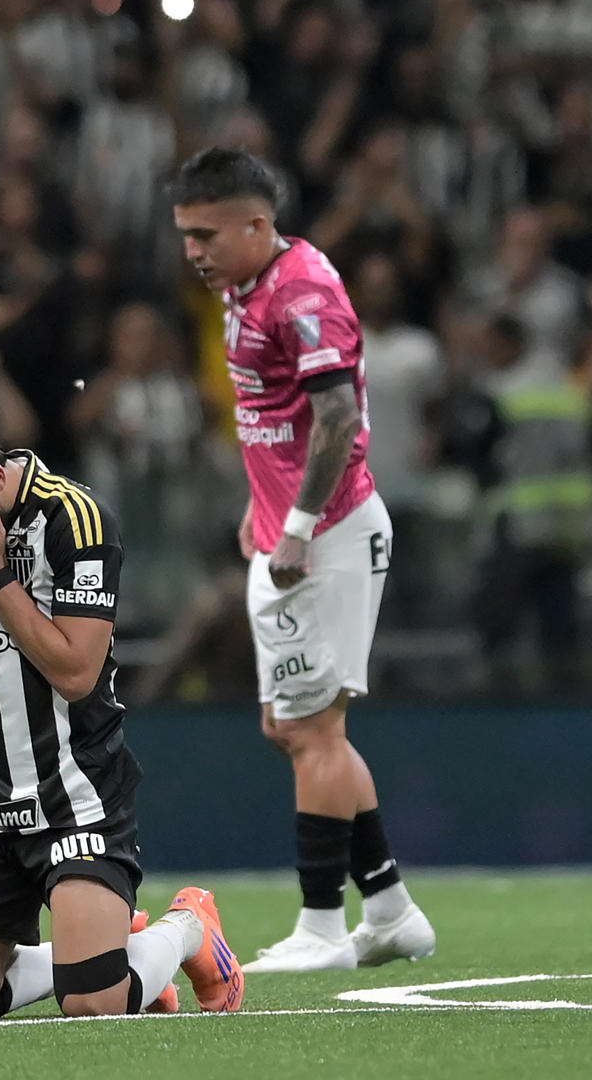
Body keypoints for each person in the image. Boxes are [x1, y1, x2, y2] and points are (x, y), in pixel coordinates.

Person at [0, 389, 243, 1021]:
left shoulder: (75, 518)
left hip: (79, 796)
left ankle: (187, 930)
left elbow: (75, 672)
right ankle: (95, 948)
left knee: (93, 1005)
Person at [170, 147, 436, 972]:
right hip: (292, 530)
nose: (194, 252)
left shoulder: (303, 292)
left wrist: (298, 524)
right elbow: (271, 416)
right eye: (185, 235)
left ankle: (323, 926)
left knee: (311, 727)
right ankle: (389, 911)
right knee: (293, 725)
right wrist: (265, 501)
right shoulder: (242, 287)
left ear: (258, 223)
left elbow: (337, 420)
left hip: (325, 536)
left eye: (207, 234)